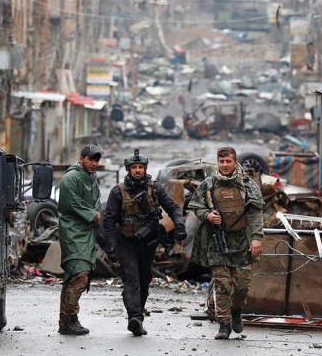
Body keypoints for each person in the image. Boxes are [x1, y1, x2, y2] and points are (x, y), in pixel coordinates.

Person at [101, 149, 187, 336]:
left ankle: (137, 313)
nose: (138, 170)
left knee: (144, 279)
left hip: (148, 244)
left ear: (145, 168)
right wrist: (111, 246)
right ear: (128, 169)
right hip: (126, 242)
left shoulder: (155, 188)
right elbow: (109, 220)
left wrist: (179, 225)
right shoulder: (118, 191)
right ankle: (135, 316)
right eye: (134, 167)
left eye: (141, 167)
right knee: (131, 278)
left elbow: (172, 208)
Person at [188, 146, 264, 340]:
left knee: (241, 285)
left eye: (228, 161)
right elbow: (196, 205)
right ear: (218, 162)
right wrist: (207, 215)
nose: (224, 165)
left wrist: (256, 238)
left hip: (241, 241)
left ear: (234, 161)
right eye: (221, 161)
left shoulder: (246, 184)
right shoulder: (209, 183)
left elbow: (255, 213)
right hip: (216, 242)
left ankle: (236, 311)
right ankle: (224, 324)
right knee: (222, 284)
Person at [57, 144, 102, 335]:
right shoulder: (71, 178)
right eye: (90, 159)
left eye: (96, 160)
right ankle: (70, 319)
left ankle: (65, 320)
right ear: (81, 158)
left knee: (73, 277)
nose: (94, 164)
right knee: (80, 276)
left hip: (86, 233)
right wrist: (93, 215)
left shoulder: (91, 178)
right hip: (73, 232)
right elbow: (71, 203)